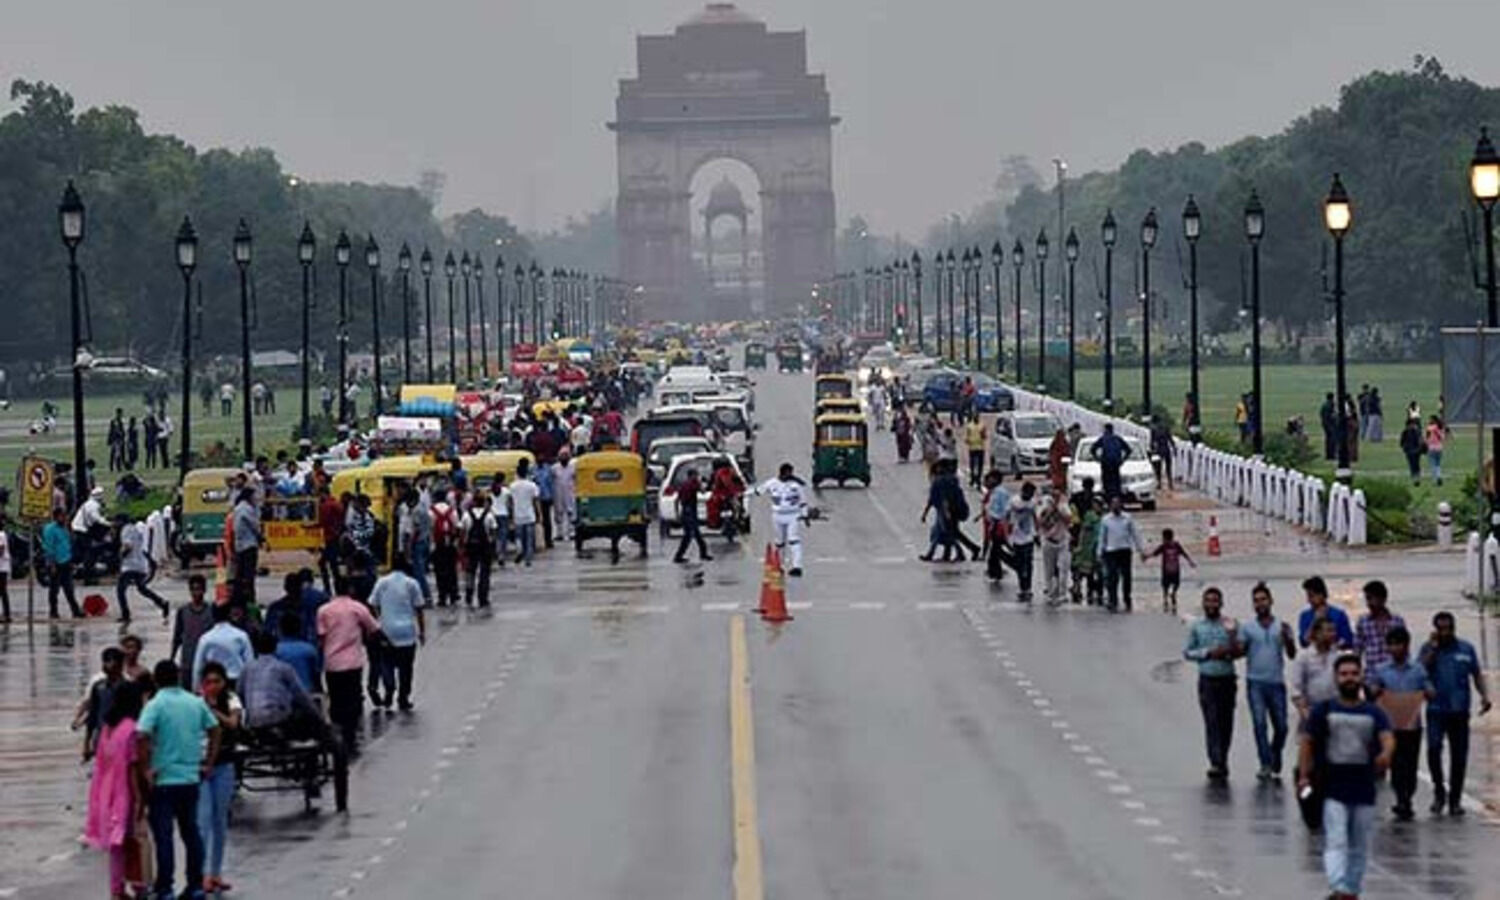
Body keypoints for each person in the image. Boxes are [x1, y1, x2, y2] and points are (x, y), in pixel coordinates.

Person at [1298, 653, 1393, 900]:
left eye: (1354, 674)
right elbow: (1307, 742)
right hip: (1333, 787)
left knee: (1360, 844)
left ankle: (1351, 889)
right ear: (1336, 678)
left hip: (1364, 788)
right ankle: (1338, 886)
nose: (1349, 678)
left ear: (1361, 676)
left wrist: (1386, 754)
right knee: (1337, 839)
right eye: (1344, 674)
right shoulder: (1324, 710)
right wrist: (1304, 776)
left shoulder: (1374, 712)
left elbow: (1387, 737)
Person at [137, 659, 221, 900]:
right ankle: (195, 885)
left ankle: (166, 888)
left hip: (163, 779)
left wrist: (146, 769)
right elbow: (215, 729)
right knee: (190, 832)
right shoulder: (195, 703)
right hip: (190, 777)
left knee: (164, 836)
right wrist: (209, 761)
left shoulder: (156, 705)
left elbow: (141, 735)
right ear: (178, 677)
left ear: (156, 680)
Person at [1420, 610, 1492, 816]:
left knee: (1459, 756)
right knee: (1433, 749)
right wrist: (1433, 649)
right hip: (1436, 710)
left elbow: (1476, 674)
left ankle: (1455, 800)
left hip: (1459, 710)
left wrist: (1484, 696)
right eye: (1441, 629)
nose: (1445, 633)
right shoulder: (1428, 649)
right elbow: (1420, 671)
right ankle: (1439, 791)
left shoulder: (1466, 649)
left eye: (1448, 629)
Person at [84, 678, 146, 900]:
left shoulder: (108, 729)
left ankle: (117, 889)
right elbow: (133, 767)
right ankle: (138, 885)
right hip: (124, 791)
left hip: (104, 790)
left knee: (116, 845)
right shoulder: (131, 729)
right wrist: (140, 798)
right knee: (132, 840)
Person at [1368, 626, 1433, 820]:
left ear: (1406, 646)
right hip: (1391, 725)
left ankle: (1408, 796)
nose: (1395, 648)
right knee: (1396, 763)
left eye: (1398, 644)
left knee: (1410, 762)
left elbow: (1429, 688)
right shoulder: (1381, 670)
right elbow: (1371, 691)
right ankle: (1401, 798)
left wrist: (1429, 693)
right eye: (1391, 644)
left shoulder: (1418, 669)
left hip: (1412, 724)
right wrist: (1375, 690)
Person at [317, 577, 383, 753]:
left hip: (332, 663)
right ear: (351, 589)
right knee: (354, 698)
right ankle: (351, 734)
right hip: (353, 662)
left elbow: (321, 637)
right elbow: (374, 628)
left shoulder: (324, 610)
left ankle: (338, 732)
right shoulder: (357, 608)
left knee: (336, 698)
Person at [1239, 582, 1297, 781]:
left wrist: (1287, 639)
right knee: (1259, 723)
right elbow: (1240, 651)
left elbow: (1292, 654)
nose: (1260, 604)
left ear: (1271, 601)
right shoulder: (1248, 628)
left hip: (1276, 682)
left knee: (1281, 726)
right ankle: (1265, 763)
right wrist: (1236, 643)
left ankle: (1275, 752)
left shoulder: (1282, 625)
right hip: (1255, 682)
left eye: (1263, 599)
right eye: (1256, 601)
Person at [1183, 586, 1238, 780]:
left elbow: (1239, 649)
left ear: (1221, 604)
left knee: (1227, 723)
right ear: (1204, 604)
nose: (1212, 605)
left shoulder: (1230, 624)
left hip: (1227, 678)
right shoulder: (1198, 627)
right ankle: (1216, 761)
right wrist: (1207, 653)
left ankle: (1223, 756)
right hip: (1208, 679)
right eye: (1208, 601)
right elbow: (1187, 652)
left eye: (1215, 601)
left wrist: (1228, 649)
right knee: (1212, 721)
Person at [196, 661, 241, 896]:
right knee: (202, 820)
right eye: (208, 682)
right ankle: (203, 874)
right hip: (202, 767)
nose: (212, 686)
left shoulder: (231, 699)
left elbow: (233, 723)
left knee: (220, 820)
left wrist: (214, 711)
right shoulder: (195, 703)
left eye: (217, 681)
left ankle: (216, 872)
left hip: (225, 764)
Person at [370, 558, 427, 711]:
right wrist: (422, 632)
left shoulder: (382, 582)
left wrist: (381, 617)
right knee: (406, 668)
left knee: (386, 663)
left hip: (387, 631)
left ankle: (389, 689)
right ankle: (403, 697)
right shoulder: (412, 583)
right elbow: (419, 609)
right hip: (407, 632)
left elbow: (373, 603)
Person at [755, 462, 810, 577]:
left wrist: (805, 515)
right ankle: (779, 565)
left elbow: (803, 501)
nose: (789, 475)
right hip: (777, 515)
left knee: (794, 540)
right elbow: (758, 491)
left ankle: (797, 566)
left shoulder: (796, 485)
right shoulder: (772, 483)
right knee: (779, 542)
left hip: (793, 515)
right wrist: (742, 493)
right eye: (787, 473)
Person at [116, 516, 170, 625]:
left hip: (130, 566)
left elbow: (128, 546)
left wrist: (120, 555)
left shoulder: (125, 530)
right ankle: (162, 603)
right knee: (142, 589)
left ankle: (125, 614)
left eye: (117, 522)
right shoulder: (135, 529)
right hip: (141, 565)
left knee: (120, 590)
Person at [1096, 495, 1144, 612]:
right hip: (1111, 551)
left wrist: (1140, 549)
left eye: (1118, 504)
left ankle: (1127, 598)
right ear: (1110, 506)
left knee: (1126, 576)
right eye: (1113, 504)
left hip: (1125, 550)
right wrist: (1099, 551)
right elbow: (1102, 537)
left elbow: (1135, 534)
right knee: (1112, 577)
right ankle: (1113, 600)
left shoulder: (1127, 518)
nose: (1115, 506)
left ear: (1121, 505)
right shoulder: (1106, 520)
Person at [192, 602, 253, 690]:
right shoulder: (241, 636)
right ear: (229, 614)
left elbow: (198, 667)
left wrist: (196, 688)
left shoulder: (205, 638)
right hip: (236, 681)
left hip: (214, 683)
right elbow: (249, 663)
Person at [1293, 616, 1341, 723]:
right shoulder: (1303, 656)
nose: (1333, 634)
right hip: (1311, 711)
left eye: (1334, 630)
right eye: (1329, 630)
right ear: (1317, 633)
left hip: (1336, 712)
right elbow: (1297, 689)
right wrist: (1305, 713)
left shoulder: (1339, 656)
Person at [1352, 579, 1404, 677]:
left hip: (1394, 675)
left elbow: (1404, 650)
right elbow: (1357, 650)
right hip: (1371, 675)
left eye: (1371, 599)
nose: (1369, 603)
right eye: (1367, 599)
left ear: (1383, 599)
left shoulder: (1397, 621)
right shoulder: (1363, 622)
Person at [42, 506, 83, 618]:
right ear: (56, 517)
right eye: (62, 516)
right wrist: (52, 564)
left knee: (69, 589)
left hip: (66, 561)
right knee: (54, 589)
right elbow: (49, 547)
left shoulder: (65, 529)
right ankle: (53, 611)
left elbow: (68, 544)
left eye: (65, 516)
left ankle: (75, 610)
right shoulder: (50, 529)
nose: (65, 518)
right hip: (56, 562)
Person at [1145, 527, 1195, 614]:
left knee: (1176, 584)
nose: (1163, 540)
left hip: (1175, 569)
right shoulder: (1163, 546)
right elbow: (1154, 553)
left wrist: (1190, 561)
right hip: (1167, 570)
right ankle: (1165, 598)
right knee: (1165, 586)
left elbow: (1184, 553)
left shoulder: (1176, 545)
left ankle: (1173, 594)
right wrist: (1147, 557)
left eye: (1164, 538)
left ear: (1166, 538)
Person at [1036, 484, 1072, 605]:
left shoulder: (1064, 506)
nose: (1055, 497)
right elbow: (1041, 522)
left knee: (1063, 568)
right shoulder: (1044, 506)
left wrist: (1059, 511)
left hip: (1062, 541)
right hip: (1048, 541)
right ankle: (1050, 592)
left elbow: (1068, 520)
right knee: (1049, 569)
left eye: (1058, 495)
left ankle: (1063, 593)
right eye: (1053, 495)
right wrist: (1050, 512)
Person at [461, 492, 497, 607]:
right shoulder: (489, 515)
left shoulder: (466, 515)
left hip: (471, 547)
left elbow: (462, 531)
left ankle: (469, 595)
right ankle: (483, 597)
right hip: (485, 547)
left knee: (470, 572)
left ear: (474, 502)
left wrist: (462, 545)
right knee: (484, 573)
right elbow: (493, 531)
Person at [1296, 576, 1353, 648]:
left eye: (1311, 596)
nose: (1308, 600)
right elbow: (1304, 643)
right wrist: (1315, 621)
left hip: (1334, 655)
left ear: (1321, 594)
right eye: (1308, 596)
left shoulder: (1339, 615)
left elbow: (1348, 641)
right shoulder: (1305, 616)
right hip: (1313, 657)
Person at [1005, 482, 1039, 601]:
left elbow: (1035, 517)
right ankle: (1022, 586)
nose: (1030, 496)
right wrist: (1006, 534)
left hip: (1029, 536)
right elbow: (1007, 517)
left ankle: (1028, 587)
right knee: (1019, 563)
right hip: (1016, 536)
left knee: (1028, 562)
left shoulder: (1033, 502)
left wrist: (1037, 533)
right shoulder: (1014, 501)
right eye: (1028, 493)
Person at [273, 613, 323, 692]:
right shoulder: (309, 649)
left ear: (280, 629)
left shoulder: (275, 651)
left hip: (282, 693)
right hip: (306, 692)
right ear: (300, 628)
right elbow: (316, 675)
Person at [673, 467, 713, 564]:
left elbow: (676, 500)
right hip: (690, 511)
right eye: (696, 475)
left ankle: (701, 554)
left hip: (685, 510)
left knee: (694, 534)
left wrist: (677, 513)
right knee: (691, 535)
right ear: (693, 475)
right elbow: (703, 491)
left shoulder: (684, 485)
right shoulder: (693, 483)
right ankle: (679, 556)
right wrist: (703, 483)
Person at [230, 487, 262, 606]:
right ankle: (250, 600)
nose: (256, 499)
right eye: (254, 496)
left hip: (239, 546)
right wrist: (261, 536)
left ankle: (239, 598)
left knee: (240, 575)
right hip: (249, 545)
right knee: (249, 576)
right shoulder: (247, 509)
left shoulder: (237, 508)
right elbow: (255, 526)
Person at [430, 488, 461, 605]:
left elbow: (430, 528)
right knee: (452, 569)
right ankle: (453, 594)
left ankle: (442, 596)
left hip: (437, 544)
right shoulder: (452, 510)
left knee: (439, 570)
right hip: (450, 544)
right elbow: (457, 526)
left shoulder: (431, 511)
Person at [509, 458, 542, 566]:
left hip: (518, 516)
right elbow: (535, 501)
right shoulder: (532, 486)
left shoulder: (512, 486)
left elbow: (511, 503)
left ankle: (520, 551)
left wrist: (511, 515)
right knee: (529, 539)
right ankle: (528, 558)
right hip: (529, 515)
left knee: (520, 538)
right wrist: (539, 514)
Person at [1089, 423, 1129, 500]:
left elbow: (1092, 449)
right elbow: (1128, 450)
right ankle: (1117, 500)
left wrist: (1098, 459)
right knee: (1116, 484)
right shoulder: (1117, 438)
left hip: (1105, 465)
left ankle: (1108, 500)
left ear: (1105, 430)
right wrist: (1123, 460)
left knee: (1107, 484)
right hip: (1116, 465)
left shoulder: (1103, 439)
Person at [553, 448, 577, 543]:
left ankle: (571, 533)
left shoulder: (573, 467)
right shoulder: (554, 468)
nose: (564, 457)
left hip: (570, 492)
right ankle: (559, 533)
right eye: (562, 456)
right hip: (558, 493)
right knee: (558, 513)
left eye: (566, 455)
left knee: (571, 512)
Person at [1148, 417, 1174, 490]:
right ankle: (1170, 483)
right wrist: (1174, 447)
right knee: (1168, 467)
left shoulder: (1153, 430)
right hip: (1166, 449)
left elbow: (1152, 441)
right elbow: (1170, 438)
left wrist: (1151, 450)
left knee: (1158, 467)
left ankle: (1159, 483)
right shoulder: (1166, 428)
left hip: (1158, 450)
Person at [962, 414, 986, 489]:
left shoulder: (982, 425)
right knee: (972, 464)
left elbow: (984, 436)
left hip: (980, 447)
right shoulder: (969, 426)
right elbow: (967, 436)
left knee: (980, 465)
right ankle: (972, 478)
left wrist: (983, 434)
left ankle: (978, 479)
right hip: (972, 448)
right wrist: (968, 440)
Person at [1399, 417, 1423, 485]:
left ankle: (1414, 478)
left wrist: (1404, 448)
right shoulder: (1417, 431)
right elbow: (1420, 441)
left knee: (1412, 465)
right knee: (1417, 464)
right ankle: (1417, 477)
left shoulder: (1405, 432)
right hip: (1416, 451)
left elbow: (1401, 442)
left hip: (1409, 451)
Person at [1047, 428, 1070, 493]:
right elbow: (1051, 452)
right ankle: (1057, 485)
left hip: (1062, 462)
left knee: (1063, 474)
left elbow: (1067, 451)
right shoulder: (1055, 442)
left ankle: (1061, 486)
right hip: (1056, 461)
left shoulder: (1064, 442)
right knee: (1057, 473)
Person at [1424, 414, 1444, 485]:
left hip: (1431, 447)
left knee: (1433, 464)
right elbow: (1442, 438)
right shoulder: (1439, 428)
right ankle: (1439, 476)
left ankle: (1435, 479)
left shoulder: (1429, 428)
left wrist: (1425, 444)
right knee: (1438, 464)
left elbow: (1426, 438)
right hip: (1439, 447)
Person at [1319, 392, 1337, 461]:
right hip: (1330, 425)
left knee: (1328, 440)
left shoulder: (1324, 405)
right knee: (1332, 440)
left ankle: (1329, 454)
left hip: (1326, 424)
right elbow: (1330, 416)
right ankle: (1331, 455)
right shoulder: (1330, 405)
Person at [0, 513, 11, 622]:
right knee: (3, 591)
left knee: (3, 591)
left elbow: (1, 549)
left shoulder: (1, 535)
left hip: (2, 567)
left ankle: (7, 614)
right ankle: (6, 613)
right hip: (3, 567)